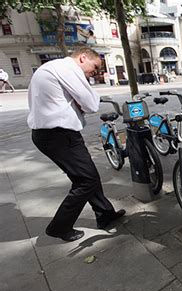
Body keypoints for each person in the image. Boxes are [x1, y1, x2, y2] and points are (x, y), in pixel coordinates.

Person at [27, 47, 125, 242]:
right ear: (82, 57)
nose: (95, 72)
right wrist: (82, 102)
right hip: (59, 135)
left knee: (88, 175)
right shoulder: (68, 69)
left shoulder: (51, 67)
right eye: (95, 66)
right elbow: (91, 104)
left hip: (50, 134)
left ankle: (105, 213)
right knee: (86, 180)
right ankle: (59, 226)